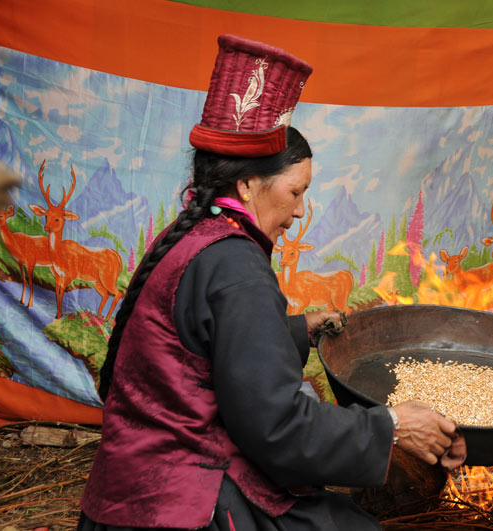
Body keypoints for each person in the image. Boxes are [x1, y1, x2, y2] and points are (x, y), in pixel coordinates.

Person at [78, 35, 465, 531]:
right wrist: (391, 426)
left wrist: (296, 329)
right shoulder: (236, 265)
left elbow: (199, 348)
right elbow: (277, 428)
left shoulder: (196, 235)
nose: (300, 209)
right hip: (181, 502)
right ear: (247, 184)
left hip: (124, 493)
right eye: (295, 191)